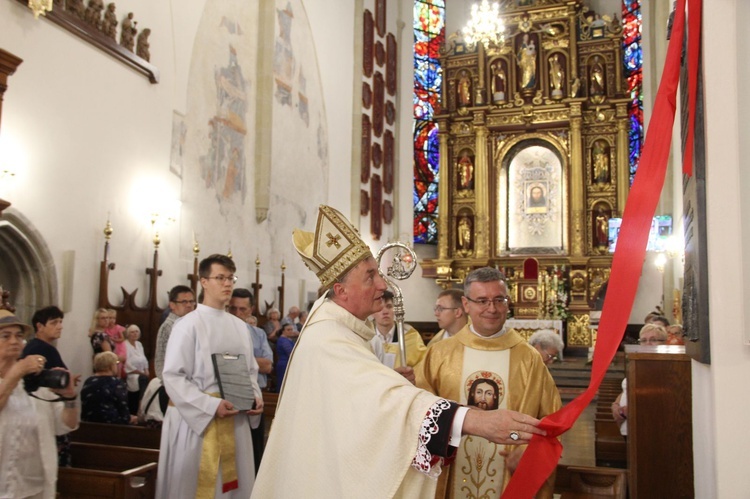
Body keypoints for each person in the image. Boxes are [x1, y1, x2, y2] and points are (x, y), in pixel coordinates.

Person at [253, 205, 545, 498]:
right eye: (370, 276)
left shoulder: (337, 329)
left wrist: (389, 379)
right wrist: (478, 420)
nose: (383, 284)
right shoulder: (329, 338)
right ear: (341, 291)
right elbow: (389, 404)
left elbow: (359, 403)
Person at [415, 267, 561, 498]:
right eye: (482, 301)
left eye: (499, 300)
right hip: (449, 469)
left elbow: (552, 419)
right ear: (466, 304)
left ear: (508, 303)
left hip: (508, 474)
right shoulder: (440, 353)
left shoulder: (528, 357)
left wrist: (528, 449)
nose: (491, 309)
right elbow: (418, 409)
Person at [157, 254, 264, 498]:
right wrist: (211, 404)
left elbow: (250, 371)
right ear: (204, 281)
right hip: (198, 421)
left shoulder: (239, 326)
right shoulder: (187, 325)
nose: (227, 284)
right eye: (220, 278)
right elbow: (173, 377)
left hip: (235, 418)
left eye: (230, 278)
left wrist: (254, 397)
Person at [0, 310, 80, 499]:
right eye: (5, 336)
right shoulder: (20, 373)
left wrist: (69, 398)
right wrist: (18, 370)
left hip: (34, 486)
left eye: (19, 336)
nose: (14, 341)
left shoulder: (35, 381)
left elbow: (66, 425)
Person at [22, 306, 76, 467]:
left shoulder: (36, 347)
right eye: (54, 322)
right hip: (46, 414)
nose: (60, 326)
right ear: (39, 326)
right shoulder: (43, 349)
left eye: (61, 321)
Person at [228, 287, 273, 472]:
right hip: (229, 397)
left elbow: (268, 366)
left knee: (254, 453)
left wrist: (239, 360)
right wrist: (251, 361)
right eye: (233, 309)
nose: (237, 313)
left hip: (256, 396)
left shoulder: (258, 334)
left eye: (243, 309)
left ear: (251, 310)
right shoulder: (224, 330)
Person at [611, 323, 669, 437]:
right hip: (627, 426)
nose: (647, 344)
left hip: (646, 427)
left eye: (653, 340)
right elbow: (626, 389)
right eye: (643, 340)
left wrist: (625, 412)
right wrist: (616, 405)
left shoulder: (665, 366)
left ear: (664, 342)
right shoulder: (638, 362)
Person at [370, 290, 427, 369]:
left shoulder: (409, 336)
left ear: (395, 310)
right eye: (380, 308)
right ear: (372, 313)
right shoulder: (367, 337)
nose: (385, 311)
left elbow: (421, 367)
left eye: (389, 306)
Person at [81, 351, 136, 425]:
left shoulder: (88, 381)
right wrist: (130, 418)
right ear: (110, 366)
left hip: (88, 425)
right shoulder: (116, 382)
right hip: (112, 426)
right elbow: (123, 408)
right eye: (116, 363)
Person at [154, 285, 196, 380]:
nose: (189, 305)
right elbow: (161, 359)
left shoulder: (192, 324)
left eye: (191, 301)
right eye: (184, 302)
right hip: (173, 383)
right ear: (172, 305)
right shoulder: (168, 326)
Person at [124, 324, 149, 415]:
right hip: (132, 374)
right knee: (141, 379)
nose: (135, 334)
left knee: (145, 379)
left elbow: (144, 359)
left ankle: (142, 406)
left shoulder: (139, 344)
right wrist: (140, 372)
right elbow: (127, 363)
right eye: (132, 332)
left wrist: (146, 370)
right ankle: (139, 407)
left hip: (142, 373)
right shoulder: (125, 345)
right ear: (128, 334)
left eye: (136, 332)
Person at [274, 323, 298, 392]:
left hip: (287, 363)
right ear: (283, 331)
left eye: (291, 330)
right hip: (284, 364)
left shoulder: (287, 340)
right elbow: (290, 353)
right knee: (283, 384)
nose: (290, 331)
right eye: (288, 330)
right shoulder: (283, 340)